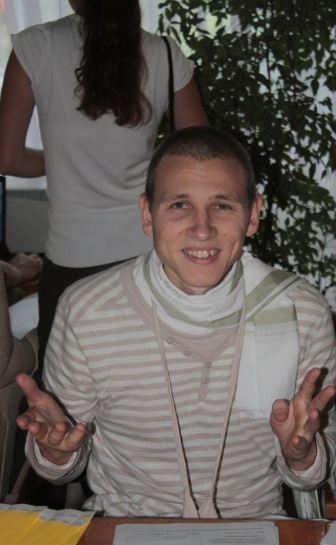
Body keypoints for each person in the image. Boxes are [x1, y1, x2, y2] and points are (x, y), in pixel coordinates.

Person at [15, 126, 336, 519]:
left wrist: (301, 455)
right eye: (179, 205)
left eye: (222, 206)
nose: (202, 228)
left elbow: (314, 469)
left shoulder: (299, 310)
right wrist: (53, 451)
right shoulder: (88, 311)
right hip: (124, 528)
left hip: (255, 530)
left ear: (253, 215)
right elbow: (62, 465)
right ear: (147, 215)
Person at [0, 0, 208, 374]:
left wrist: (61, 158)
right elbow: (201, 160)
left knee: (66, 396)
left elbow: (7, 158)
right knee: (152, 387)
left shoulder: (35, 46)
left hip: (73, 263)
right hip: (152, 257)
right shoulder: (164, 53)